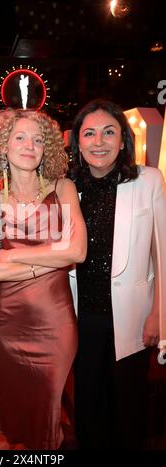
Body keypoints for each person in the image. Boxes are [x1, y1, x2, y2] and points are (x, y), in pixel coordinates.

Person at [0, 107, 87, 450]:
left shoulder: (64, 189)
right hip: (7, 327)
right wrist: (53, 256)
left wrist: (13, 254)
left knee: (50, 411)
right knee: (19, 416)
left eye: (38, 140)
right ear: (3, 146)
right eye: (20, 137)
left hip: (56, 325)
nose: (29, 145)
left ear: (48, 148)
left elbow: (78, 252)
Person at [69, 99, 166, 449]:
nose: (99, 141)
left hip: (132, 318)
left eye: (109, 132)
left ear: (123, 139)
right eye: (89, 133)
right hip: (82, 318)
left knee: (128, 409)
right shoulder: (68, 189)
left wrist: (159, 314)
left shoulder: (148, 181)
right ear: (78, 142)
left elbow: (163, 254)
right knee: (89, 407)